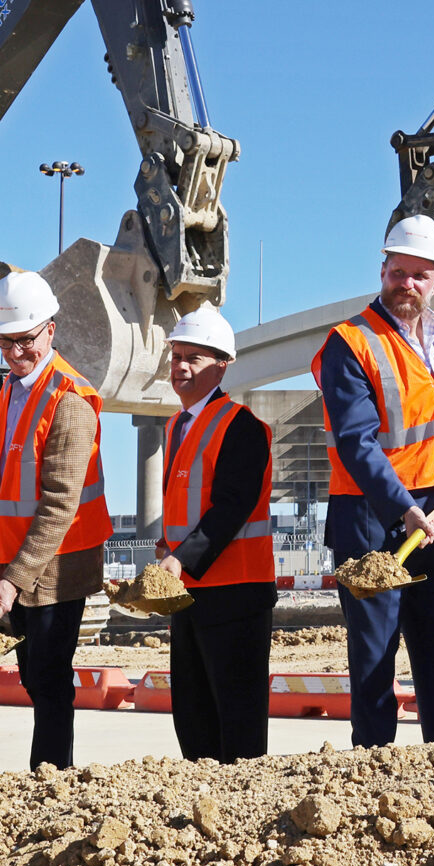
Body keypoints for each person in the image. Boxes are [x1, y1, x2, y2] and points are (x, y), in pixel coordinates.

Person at [313, 214, 434, 747]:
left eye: (418, 276)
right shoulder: (349, 343)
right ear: (383, 269)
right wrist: (402, 508)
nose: (406, 284)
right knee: (376, 653)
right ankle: (374, 770)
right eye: (397, 272)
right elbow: (357, 442)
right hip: (370, 516)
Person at [0, 270, 109, 771]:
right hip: (18, 563)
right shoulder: (14, 390)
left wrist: (13, 578)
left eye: (24, 340)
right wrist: (2, 565)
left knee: (50, 678)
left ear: (50, 330)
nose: (14, 352)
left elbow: (58, 506)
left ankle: (51, 777)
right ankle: (49, 774)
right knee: (34, 676)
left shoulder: (70, 400)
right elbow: (8, 492)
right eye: (5, 341)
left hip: (57, 568)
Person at [152, 304, 278, 761]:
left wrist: (181, 557)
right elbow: (188, 506)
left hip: (237, 594)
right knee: (194, 719)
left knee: (237, 726)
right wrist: (169, 549)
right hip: (189, 593)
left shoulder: (243, 426)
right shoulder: (176, 426)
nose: (180, 367)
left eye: (194, 358)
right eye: (176, 356)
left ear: (222, 365)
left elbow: (233, 507)